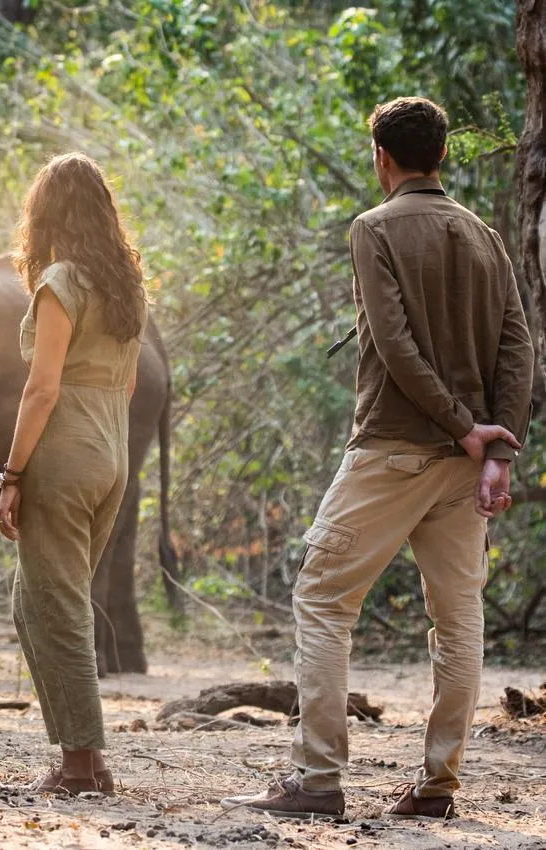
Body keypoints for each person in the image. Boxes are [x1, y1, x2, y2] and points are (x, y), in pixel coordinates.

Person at [226, 97, 533, 819]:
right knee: (458, 618)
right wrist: (494, 448)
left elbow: (394, 345)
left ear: (380, 158)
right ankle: (437, 786)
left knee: (322, 598)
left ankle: (316, 780)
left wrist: (464, 429)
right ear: (442, 155)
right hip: (465, 464)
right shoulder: (485, 235)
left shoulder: (372, 227)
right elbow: (518, 346)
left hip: (391, 451)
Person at [0, 152, 148, 796]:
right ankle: (87, 759)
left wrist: (11, 473)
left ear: (47, 213)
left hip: (66, 452)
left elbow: (41, 389)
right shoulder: (125, 284)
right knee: (36, 602)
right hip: (111, 452)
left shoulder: (60, 281)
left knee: (58, 608)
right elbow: (130, 383)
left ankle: (81, 765)